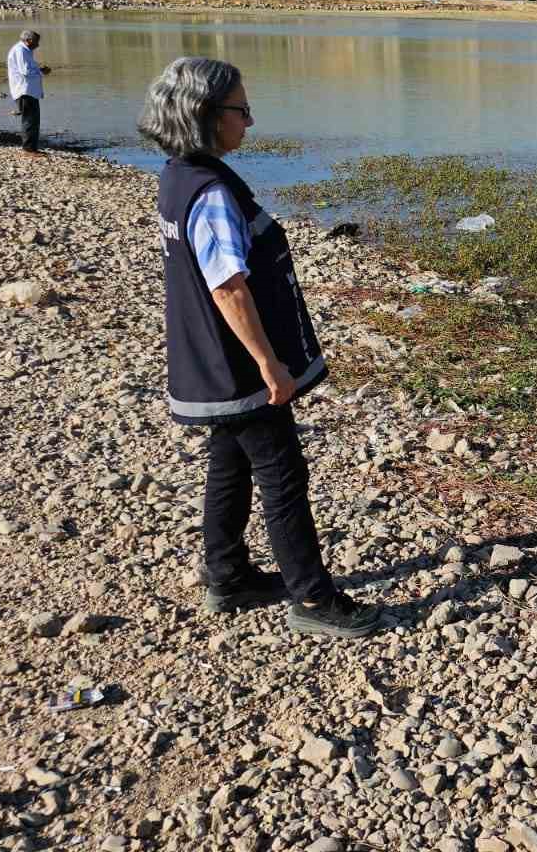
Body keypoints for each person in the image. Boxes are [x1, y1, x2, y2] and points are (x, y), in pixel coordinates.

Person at [137, 57, 383, 638]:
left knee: (230, 459)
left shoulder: (177, 175)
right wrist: (269, 363)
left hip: (210, 362)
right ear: (204, 115)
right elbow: (228, 286)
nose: (250, 121)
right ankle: (313, 598)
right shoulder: (212, 191)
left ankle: (226, 575)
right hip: (237, 362)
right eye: (240, 110)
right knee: (281, 472)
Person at [6, 29, 48, 156]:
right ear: (28, 40)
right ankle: (29, 150)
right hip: (24, 91)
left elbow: (27, 68)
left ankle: (31, 148)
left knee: (32, 120)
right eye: (36, 42)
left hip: (28, 91)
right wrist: (41, 72)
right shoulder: (21, 50)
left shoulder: (25, 50)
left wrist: (39, 69)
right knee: (30, 120)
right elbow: (25, 71)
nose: (37, 45)